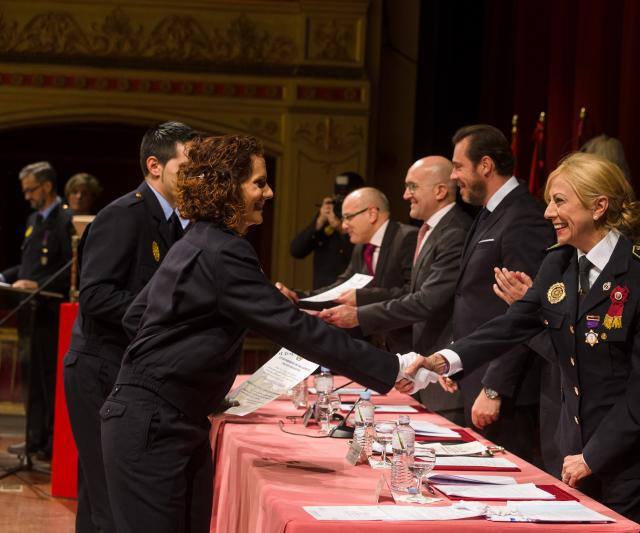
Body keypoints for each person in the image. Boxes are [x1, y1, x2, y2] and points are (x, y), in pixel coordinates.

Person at [99, 135, 421, 533]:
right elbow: (296, 331)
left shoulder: (197, 241)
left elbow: (136, 318)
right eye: (259, 182)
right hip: (154, 427)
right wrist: (393, 367)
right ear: (227, 186)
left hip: (169, 420)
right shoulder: (222, 251)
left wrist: (188, 368)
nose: (269, 192)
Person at [404, 152, 640, 533]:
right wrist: (443, 360)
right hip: (569, 449)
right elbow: (514, 324)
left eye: (560, 201)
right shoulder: (560, 262)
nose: (548, 212)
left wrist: (593, 457)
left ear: (599, 206)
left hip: (627, 462)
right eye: (550, 200)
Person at [63, 122, 197, 533]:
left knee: (103, 497)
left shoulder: (176, 223)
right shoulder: (123, 216)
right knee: (108, 500)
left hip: (127, 371)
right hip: (98, 369)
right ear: (154, 165)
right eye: (188, 166)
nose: (197, 177)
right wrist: (165, 314)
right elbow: (96, 297)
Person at [319, 156, 472, 424]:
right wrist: (301, 299)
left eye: (412, 187)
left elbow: (426, 301)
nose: (405, 195)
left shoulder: (454, 232)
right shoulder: (431, 231)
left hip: (446, 375)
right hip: (424, 373)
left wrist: (360, 315)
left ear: (439, 190)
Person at [446, 124, 554, 465]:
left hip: (504, 394)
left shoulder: (523, 217)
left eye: (458, 166)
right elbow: (473, 297)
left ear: (486, 165)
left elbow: (525, 313)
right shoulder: (489, 214)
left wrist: (495, 388)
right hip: (475, 377)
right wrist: (456, 361)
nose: (453, 176)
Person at [277, 187, 417, 353]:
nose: (343, 225)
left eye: (348, 217)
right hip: (383, 345)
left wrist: (361, 297)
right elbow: (341, 287)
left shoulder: (408, 238)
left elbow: (414, 294)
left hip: (413, 346)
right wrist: (298, 298)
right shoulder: (361, 247)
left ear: (372, 214)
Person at [1, 161, 73, 460]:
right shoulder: (34, 218)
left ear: (46, 186)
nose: (28, 196)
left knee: (47, 380)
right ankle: (34, 439)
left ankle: (47, 443)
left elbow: (70, 269)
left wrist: (35, 283)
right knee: (32, 381)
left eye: (31, 190)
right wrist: (5, 277)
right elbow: (29, 266)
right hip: (30, 313)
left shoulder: (65, 220)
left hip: (51, 313)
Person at [290, 171, 363, 289]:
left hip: (350, 292)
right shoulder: (328, 215)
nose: (340, 202)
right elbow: (296, 251)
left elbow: (361, 258)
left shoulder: (362, 216)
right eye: (337, 197)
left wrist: (339, 227)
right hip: (322, 291)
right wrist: (318, 223)